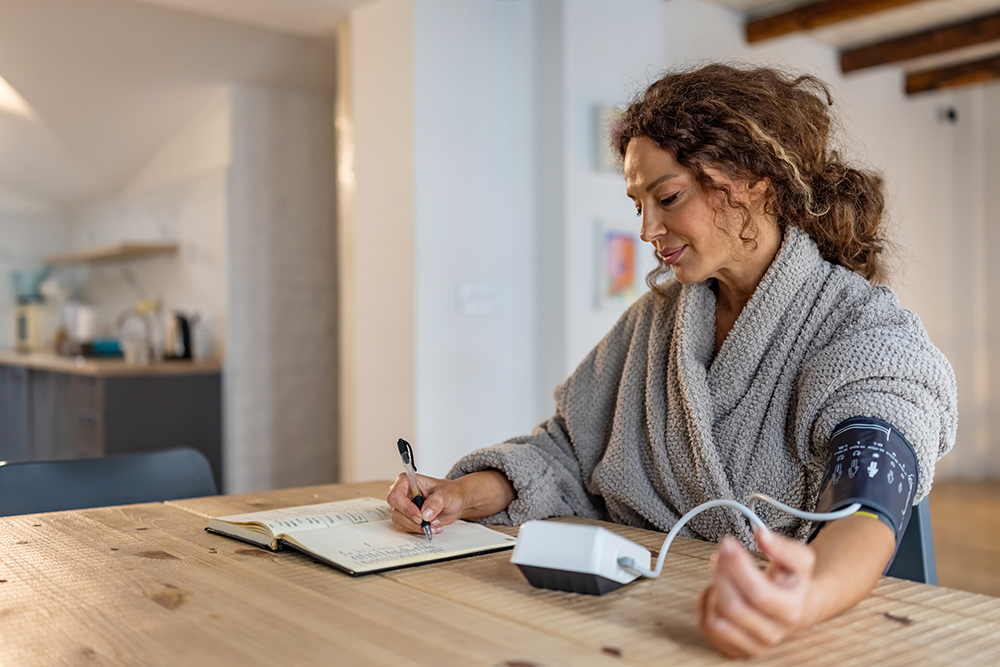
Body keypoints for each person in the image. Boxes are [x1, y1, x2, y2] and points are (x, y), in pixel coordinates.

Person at [386, 63, 956, 658]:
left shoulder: (860, 326)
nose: (645, 228)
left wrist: (808, 593)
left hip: (786, 623)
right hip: (641, 613)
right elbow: (564, 451)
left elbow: (869, 492)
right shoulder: (654, 323)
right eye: (637, 203)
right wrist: (459, 495)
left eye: (667, 197)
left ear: (753, 180)